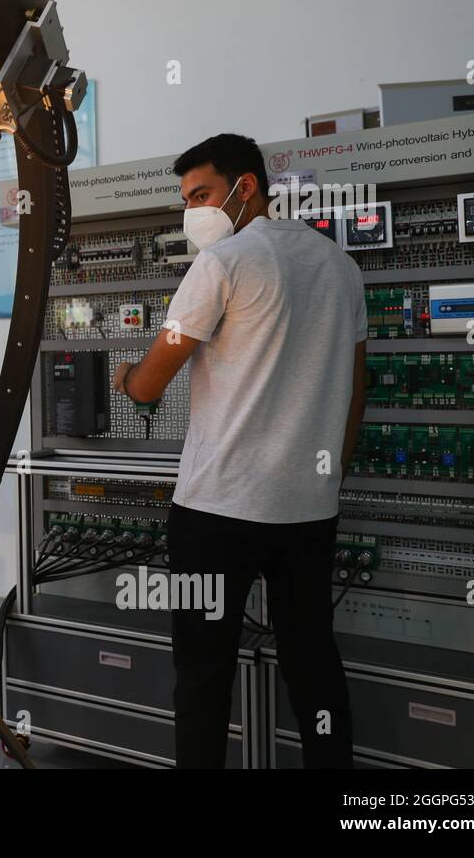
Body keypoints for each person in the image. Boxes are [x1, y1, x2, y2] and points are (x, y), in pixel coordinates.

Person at [111, 132, 365, 768]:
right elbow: (355, 393)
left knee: (203, 673)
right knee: (313, 664)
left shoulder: (222, 263)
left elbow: (150, 384)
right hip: (309, 509)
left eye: (200, 194)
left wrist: (125, 379)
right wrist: (330, 478)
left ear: (244, 187)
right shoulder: (339, 266)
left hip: (218, 511)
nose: (192, 210)